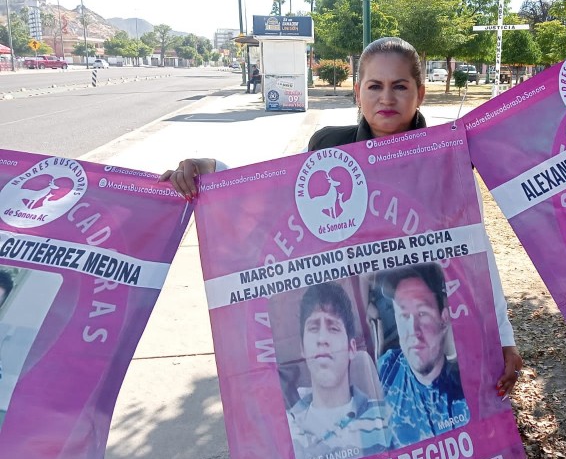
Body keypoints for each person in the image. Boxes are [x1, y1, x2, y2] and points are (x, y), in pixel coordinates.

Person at [161, 36, 523, 397]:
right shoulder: (327, 149)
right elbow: (270, 199)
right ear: (357, 91)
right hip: (352, 318)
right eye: (374, 86)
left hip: (428, 324)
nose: (386, 98)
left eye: (400, 86)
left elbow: (477, 253)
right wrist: (210, 172)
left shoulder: (448, 160)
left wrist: (502, 336)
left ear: (420, 93)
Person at [285, 282, 392, 459]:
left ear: (351, 349)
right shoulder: (287, 428)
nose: (322, 339)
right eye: (313, 327)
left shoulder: (385, 417)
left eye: (333, 328)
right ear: (302, 348)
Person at [377, 264, 467, 446]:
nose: (413, 330)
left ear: (444, 318)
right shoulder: (385, 370)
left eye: (422, 313)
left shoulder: (465, 390)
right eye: (403, 315)